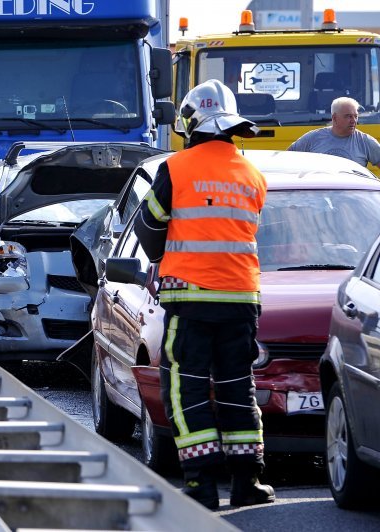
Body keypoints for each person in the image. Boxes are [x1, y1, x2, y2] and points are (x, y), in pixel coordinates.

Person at [134, 79, 275, 510]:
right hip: (242, 298)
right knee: (238, 387)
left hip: (190, 299)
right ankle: (247, 481)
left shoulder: (176, 168)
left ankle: (201, 484)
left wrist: (162, 254)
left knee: (187, 388)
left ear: (190, 123)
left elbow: (150, 227)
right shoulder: (252, 172)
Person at [288, 96, 380, 168]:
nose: (353, 121)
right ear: (334, 118)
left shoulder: (365, 142)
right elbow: (287, 159)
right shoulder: (312, 138)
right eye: (348, 116)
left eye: (355, 116)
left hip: (353, 192)